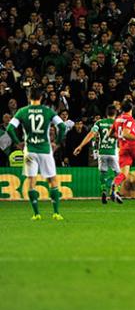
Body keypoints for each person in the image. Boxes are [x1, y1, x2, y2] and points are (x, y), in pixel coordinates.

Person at [6, 88, 67, 220]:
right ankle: (56, 213)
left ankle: (36, 214)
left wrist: (18, 143)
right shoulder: (48, 111)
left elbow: (10, 128)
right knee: (52, 180)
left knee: (31, 179)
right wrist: (56, 142)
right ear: (41, 97)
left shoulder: (22, 111)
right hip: (45, 150)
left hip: (29, 151)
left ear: (29, 97)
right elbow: (62, 127)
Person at [73, 105, 121, 204]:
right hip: (113, 152)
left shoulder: (99, 123)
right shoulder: (118, 123)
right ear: (115, 113)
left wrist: (80, 146)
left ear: (106, 114)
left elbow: (91, 134)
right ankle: (114, 189)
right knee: (119, 173)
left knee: (103, 172)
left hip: (102, 152)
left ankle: (103, 190)